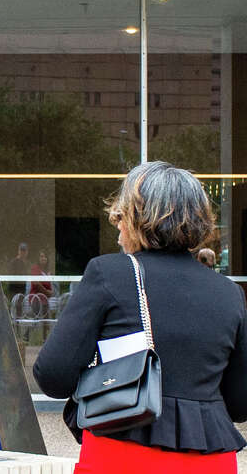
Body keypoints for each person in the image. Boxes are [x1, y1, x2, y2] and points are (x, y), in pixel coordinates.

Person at [34, 161, 247, 473]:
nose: (117, 224)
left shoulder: (108, 274)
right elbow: (240, 404)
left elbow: (53, 376)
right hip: (209, 458)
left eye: (121, 215)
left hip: (120, 452)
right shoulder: (229, 293)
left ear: (137, 219)